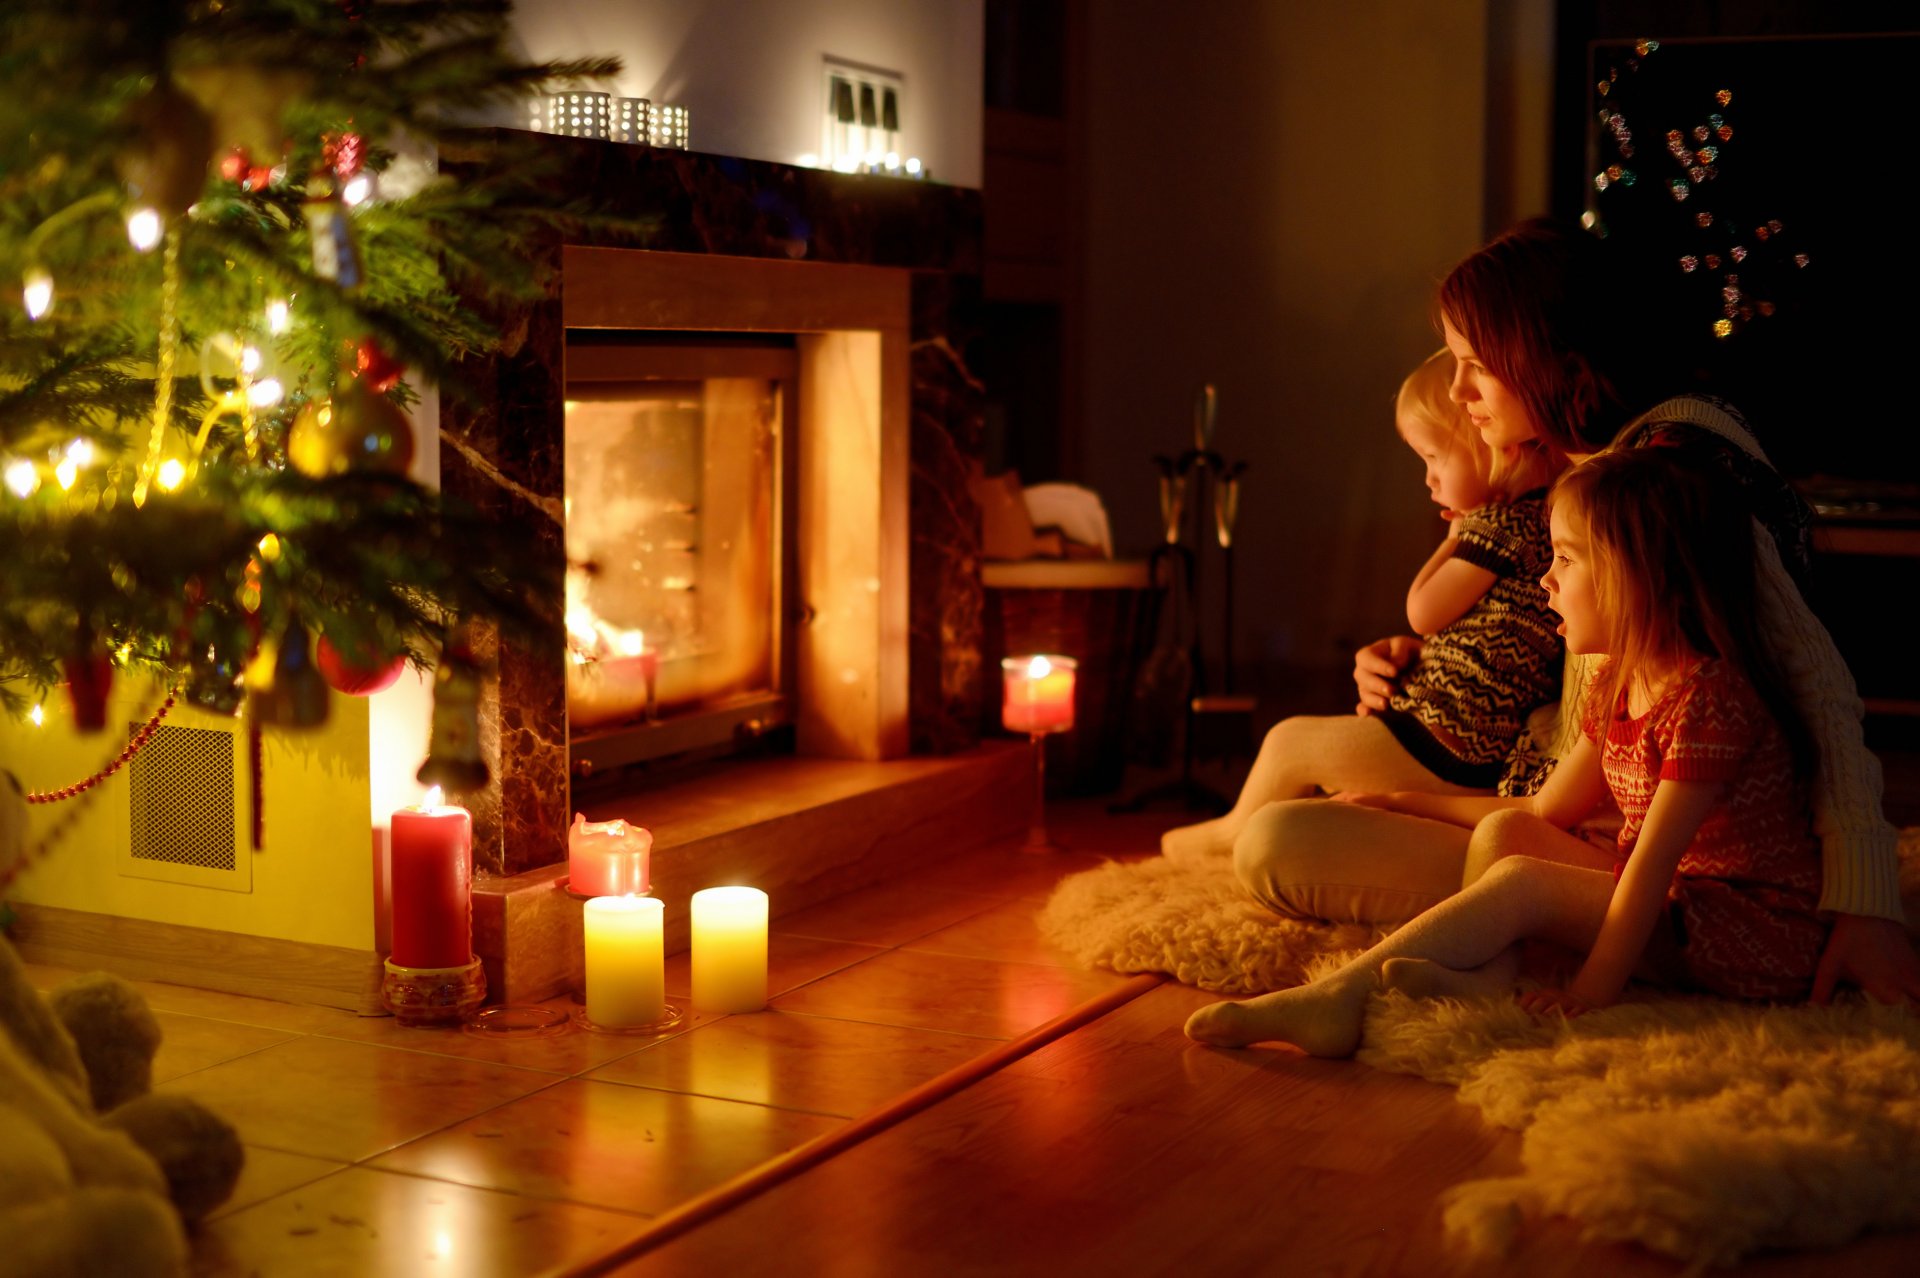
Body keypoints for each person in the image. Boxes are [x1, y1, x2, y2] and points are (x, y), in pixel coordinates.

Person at [1233, 218, 1920, 1006]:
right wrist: (1419, 652)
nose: (1458, 394)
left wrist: (1865, 902)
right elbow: (1544, 647)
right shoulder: (1580, 459)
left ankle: (1491, 947)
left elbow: (1819, 687)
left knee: (1282, 845)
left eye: (1474, 368)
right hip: (1552, 794)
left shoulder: (1671, 476)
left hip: (1654, 849)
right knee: (1296, 815)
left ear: (1551, 357)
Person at [1186, 450, 1828, 1054]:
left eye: (1568, 560)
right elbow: (1544, 810)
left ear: (1640, 576)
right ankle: (1488, 979)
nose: (1546, 578)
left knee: (1523, 883)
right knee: (1508, 831)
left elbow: (1651, 869)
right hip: (1687, 906)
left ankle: (1336, 998)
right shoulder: (1619, 678)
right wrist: (1400, 800)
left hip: (1750, 931)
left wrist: (1591, 993)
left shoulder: (1708, 697)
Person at [1158, 351, 1561, 862]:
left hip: (1447, 747)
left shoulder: (1500, 527)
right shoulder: (1532, 525)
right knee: (1312, 764)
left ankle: (1231, 834)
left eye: (1435, 458)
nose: (1429, 479)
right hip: (1458, 740)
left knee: (1290, 742)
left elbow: (1422, 610)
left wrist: (1455, 534)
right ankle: (1255, 832)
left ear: (1489, 448)